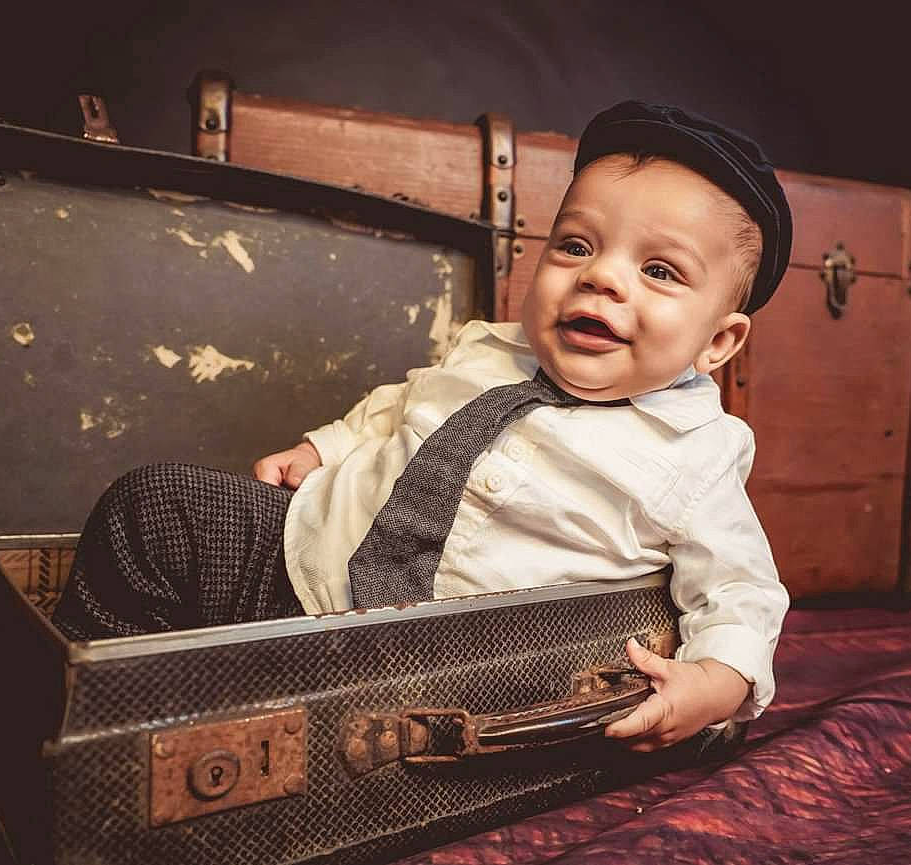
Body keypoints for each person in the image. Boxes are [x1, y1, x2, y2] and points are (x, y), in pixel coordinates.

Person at [52, 100, 793, 752]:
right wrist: (325, 446)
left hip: (455, 681)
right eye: (576, 245)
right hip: (308, 567)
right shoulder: (491, 349)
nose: (601, 276)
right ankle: (104, 727)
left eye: (660, 271)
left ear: (718, 342)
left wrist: (716, 681)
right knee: (154, 505)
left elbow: (742, 589)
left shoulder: (699, 455)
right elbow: (403, 403)